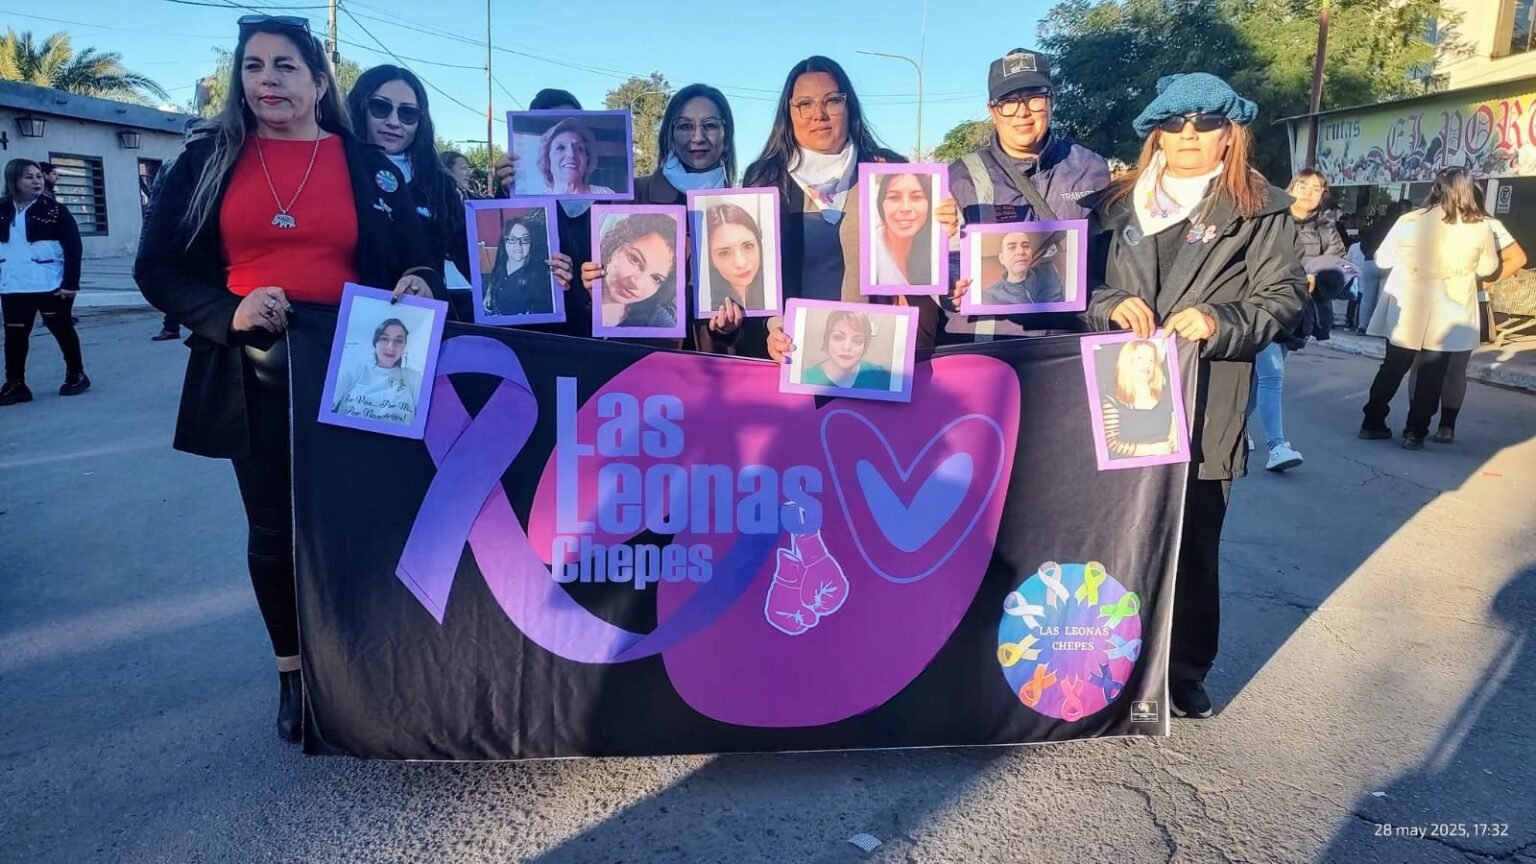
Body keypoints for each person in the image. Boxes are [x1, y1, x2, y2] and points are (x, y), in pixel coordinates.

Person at [133, 14, 442, 743]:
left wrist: (419, 280)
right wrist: (227, 312)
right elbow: (157, 267)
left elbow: (419, 252)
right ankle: (294, 673)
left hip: (360, 366)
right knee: (274, 528)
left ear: (319, 81)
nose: (266, 80)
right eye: (253, 66)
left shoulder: (367, 163)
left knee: (364, 520)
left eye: (284, 66)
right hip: (253, 369)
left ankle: (362, 662)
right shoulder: (206, 161)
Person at [1084, 73, 1307, 719]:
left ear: (1228, 133)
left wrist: (1219, 321)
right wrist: (1106, 303)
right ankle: (1106, 662)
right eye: (1174, 122)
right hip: (1120, 395)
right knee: (1112, 534)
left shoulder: (1261, 208)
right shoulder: (1111, 205)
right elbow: (1067, 285)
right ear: (1156, 132)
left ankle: (1183, 672)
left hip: (1208, 399)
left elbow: (1285, 298)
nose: (1189, 134)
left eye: (1205, 122)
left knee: (1194, 543)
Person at [742, 56, 919, 363]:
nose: (819, 115)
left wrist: (941, 225)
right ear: (789, 112)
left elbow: (916, 262)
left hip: (877, 355)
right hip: (793, 353)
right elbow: (756, 280)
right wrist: (773, 327)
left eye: (832, 101)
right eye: (805, 104)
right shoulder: (765, 178)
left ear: (849, 107)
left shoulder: (888, 171)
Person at [941, 48, 1111, 342]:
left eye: (1034, 97)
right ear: (992, 110)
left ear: (1051, 100)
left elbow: (1110, 259)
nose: (1022, 112)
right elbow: (941, 259)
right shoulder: (959, 175)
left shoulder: (1091, 167)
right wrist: (948, 284)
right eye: (1008, 102)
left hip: (1069, 343)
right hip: (987, 344)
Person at [578, 84, 750, 351]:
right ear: (669, 135)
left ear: (726, 137)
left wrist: (727, 329)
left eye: (710, 125)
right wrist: (593, 285)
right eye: (685, 126)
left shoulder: (743, 207)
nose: (698, 137)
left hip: (710, 366)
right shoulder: (632, 195)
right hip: (639, 362)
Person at [1361, 167, 1500, 449]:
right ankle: (1415, 432)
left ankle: (1372, 421)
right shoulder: (1480, 227)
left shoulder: (1410, 219)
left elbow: (1383, 260)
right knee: (1432, 372)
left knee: (1393, 366)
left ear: (1436, 188)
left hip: (1408, 302)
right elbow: (1488, 267)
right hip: (1449, 307)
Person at [347, 65, 471, 318]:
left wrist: (509, 193)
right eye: (380, 107)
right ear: (360, 107)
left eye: (408, 113)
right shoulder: (336, 168)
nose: (393, 122)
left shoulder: (441, 185)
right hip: (347, 317)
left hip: (420, 323)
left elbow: (472, 259)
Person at [1241, 168, 1337, 473]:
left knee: (1260, 378)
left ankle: (1235, 427)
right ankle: (1277, 446)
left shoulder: (1326, 228)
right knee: (1272, 374)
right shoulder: (1269, 219)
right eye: (1303, 185)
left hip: (1297, 313)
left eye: (1317, 188)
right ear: (1290, 187)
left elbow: (1338, 269)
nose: (1309, 192)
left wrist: (1320, 280)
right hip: (1264, 305)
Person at [1406, 211, 1527, 443]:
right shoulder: (1430, 218)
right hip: (1428, 299)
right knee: (1420, 363)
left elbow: (1517, 258)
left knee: (1454, 366)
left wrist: (1484, 282)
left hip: (1467, 303)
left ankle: (1446, 425)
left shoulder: (1487, 224)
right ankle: (1416, 424)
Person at [0, 158, 88, 405]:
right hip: (13, 283)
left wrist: (70, 283)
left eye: (39, 176)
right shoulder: (2, 210)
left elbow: (73, 248)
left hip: (50, 282)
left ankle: (76, 373)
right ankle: (15, 383)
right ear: (13, 180)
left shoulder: (55, 210)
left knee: (62, 329)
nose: (37, 181)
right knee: (15, 334)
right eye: (29, 177)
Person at [331, 317, 423, 424]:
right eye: (384, 339)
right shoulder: (353, 371)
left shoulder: (414, 378)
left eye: (398, 341)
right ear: (375, 343)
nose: (391, 347)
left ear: (404, 346)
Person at [596, 212, 677, 329]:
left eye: (656, 278)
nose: (637, 284)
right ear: (616, 245)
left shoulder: (657, 321)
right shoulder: (578, 283)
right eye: (635, 259)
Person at [1101, 340, 1178, 458]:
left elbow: (1176, 427)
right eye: (1140, 358)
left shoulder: (1168, 394)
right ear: (1127, 362)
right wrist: (1151, 450)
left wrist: (1177, 435)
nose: (1146, 364)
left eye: (1151, 360)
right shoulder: (1111, 400)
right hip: (1132, 468)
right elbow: (1110, 444)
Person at [1355, 199, 1411, 334]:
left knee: (1367, 298)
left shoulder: (1375, 225)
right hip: (1389, 263)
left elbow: (1363, 243)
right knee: (1384, 300)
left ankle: (1362, 326)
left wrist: (1369, 254)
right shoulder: (1397, 226)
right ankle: (1380, 329)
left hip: (1369, 261)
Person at [870, 171, 934, 287]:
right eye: (894, 197)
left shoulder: (933, 245)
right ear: (881, 203)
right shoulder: (870, 249)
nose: (905, 208)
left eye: (916, 197)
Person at [799, 310, 891, 390]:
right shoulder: (805, 379)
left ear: (865, 345)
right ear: (827, 339)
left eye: (857, 341)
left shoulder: (882, 377)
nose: (847, 347)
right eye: (838, 337)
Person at [483, 214, 554, 316]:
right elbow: (494, 278)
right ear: (504, 242)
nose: (518, 245)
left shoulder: (538, 279)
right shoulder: (501, 263)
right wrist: (489, 292)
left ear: (531, 243)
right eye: (512, 239)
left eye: (525, 239)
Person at [705, 202, 765, 311]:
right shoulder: (705, 302)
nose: (741, 263)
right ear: (710, 259)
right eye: (724, 253)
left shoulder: (775, 290)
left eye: (748, 246)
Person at [980, 231, 1065, 305]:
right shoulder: (989, 297)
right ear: (1002, 259)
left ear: (1031, 255)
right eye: (1012, 247)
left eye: (1026, 246)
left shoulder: (1050, 271)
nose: (1021, 252)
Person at [538, 119, 614, 197]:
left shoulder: (606, 194)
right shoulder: (539, 202)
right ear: (547, 160)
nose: (571, 154)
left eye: (579, 148)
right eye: (561, 147)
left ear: (587, 160)